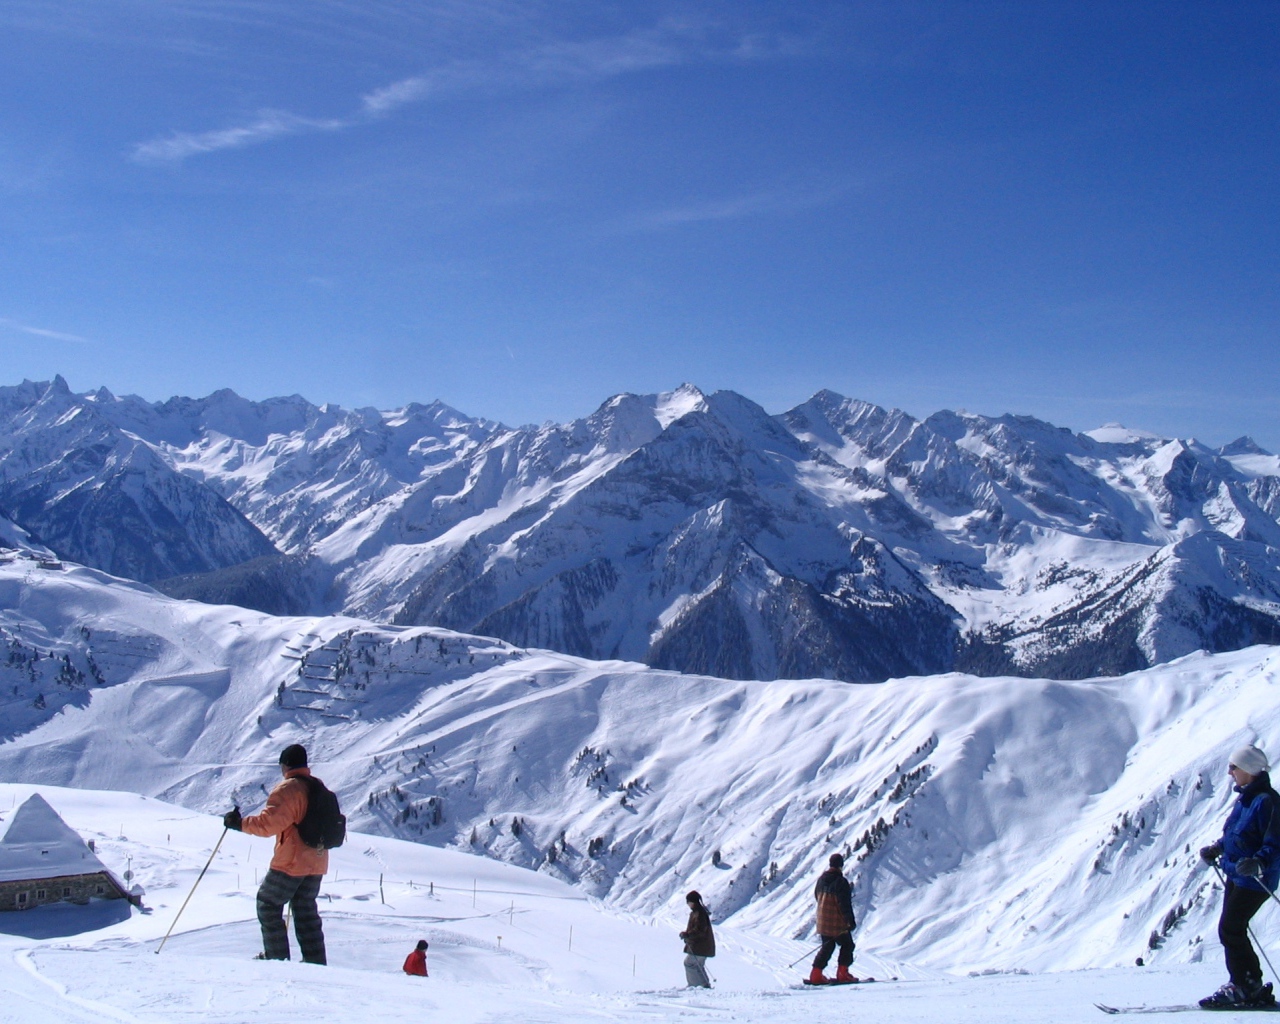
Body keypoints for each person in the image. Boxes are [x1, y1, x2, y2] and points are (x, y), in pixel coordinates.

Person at [225, 743, 329, 965]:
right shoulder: (317, 785)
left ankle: (276, 959)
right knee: (305, 909)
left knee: (268, 903)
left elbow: (268, 824)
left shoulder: (288, 789)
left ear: (286, 765)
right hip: (317, 861)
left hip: (291, 861)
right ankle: (315, 963)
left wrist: (239, 824)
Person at [1199, 744, 1280, 1008]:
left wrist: (1259, 862)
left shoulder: (1267, 802)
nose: (1230, 772)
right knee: (1231, 929)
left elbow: (1275, 842)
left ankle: (1245, 985)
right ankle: (1247, 984)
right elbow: (1235, 834)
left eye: (1233, 767)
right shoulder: (1246, 799)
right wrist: (1217, 848)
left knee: (1231, 928)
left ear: (1248, 769)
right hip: (1237, 874)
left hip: (1257, 879)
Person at [809, 853, 857, 985]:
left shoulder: (821, 880)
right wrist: (850, 921)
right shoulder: (841, 882)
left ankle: (816, 975)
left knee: (827, 946)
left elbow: (817, 896)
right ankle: (843, 973)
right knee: (847, 945)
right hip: (837, 922)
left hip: (822, 921)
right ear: (841, 866)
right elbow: (844, 904)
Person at [678, 890, 714, 988]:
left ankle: (694, 986)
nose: (688, 904)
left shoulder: (698, 913)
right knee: (698, 965)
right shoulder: (698, 912)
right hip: (703, 945)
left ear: (692, 902)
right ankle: (704, 985)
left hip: (700, 945)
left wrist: (687, 935)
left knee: (689, 963)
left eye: (688, 902)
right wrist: (687, 935)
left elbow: (699, 930)